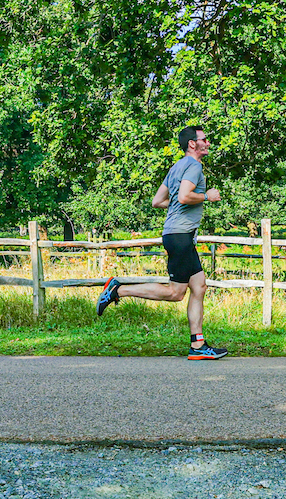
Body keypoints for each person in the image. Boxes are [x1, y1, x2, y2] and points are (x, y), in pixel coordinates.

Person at [96, 125, 229, 360]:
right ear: (192, 144)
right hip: (180, 236)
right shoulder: (194, 166)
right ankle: (118, 290)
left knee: (199, 287)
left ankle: (198, 346)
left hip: (179, 235)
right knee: (176, 293)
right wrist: (207, 196)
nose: (208, 143)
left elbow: (158, 201)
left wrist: (184, 203)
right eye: (204, 139)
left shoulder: (177, 167)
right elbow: (184, 197)